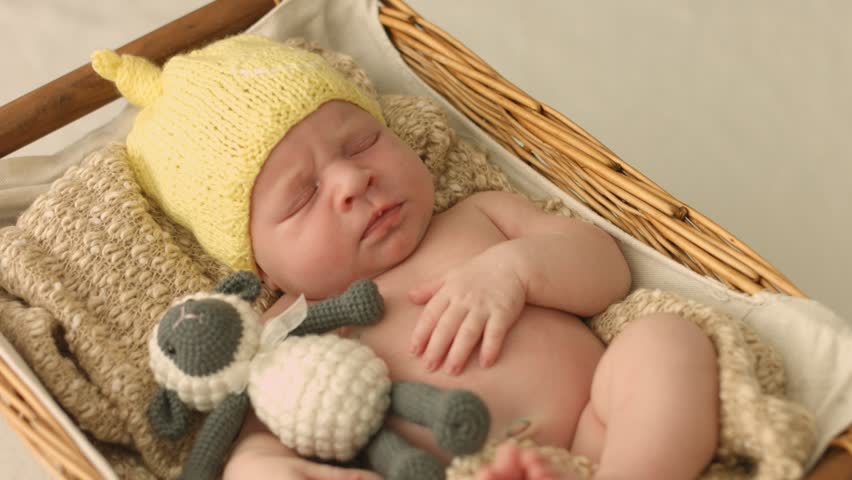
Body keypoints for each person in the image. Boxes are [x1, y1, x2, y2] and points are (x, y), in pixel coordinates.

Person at [92, 35, 719, 480]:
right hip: (452, 470)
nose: (350, 181)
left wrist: (516, 268)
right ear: (261, 269)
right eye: (304, 195)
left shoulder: (478, 214)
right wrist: (263, 465)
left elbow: (606, 269)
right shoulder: (290, 327)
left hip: (600, 425)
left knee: (665, 342)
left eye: (362, 142)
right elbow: (257, 436)